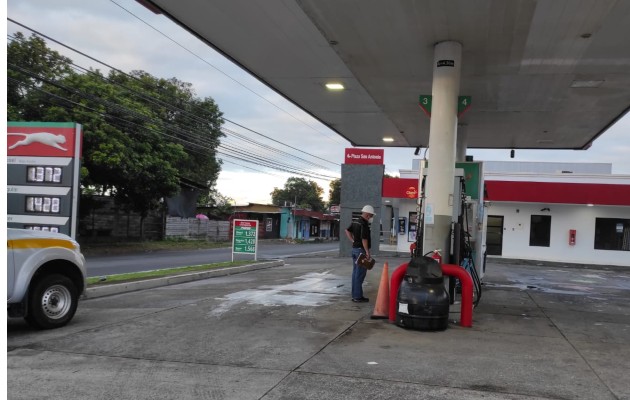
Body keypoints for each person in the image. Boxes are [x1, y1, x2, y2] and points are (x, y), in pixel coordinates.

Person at [344, 205, 374, 302]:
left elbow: (347, 230)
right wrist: (367, 252)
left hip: (354, 250)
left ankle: (355, 295)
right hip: (361, 251)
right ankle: (357, 297)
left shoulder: (355, 221)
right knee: (360, 274)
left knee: (355, 273)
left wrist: (352, 240)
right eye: (371, 215)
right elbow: (364, 239)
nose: (372, 217)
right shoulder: (363, 224)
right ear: (368, 214)